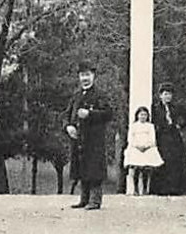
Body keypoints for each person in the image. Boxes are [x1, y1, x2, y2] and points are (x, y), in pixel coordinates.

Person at [64, 62, 112, 210]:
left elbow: (108, 113)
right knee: (81, 168)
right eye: (82, 75)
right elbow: (66, 114)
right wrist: (68, 126)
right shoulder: (76, 96)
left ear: (93, 76)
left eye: (88, 75)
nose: (85, 78)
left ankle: (95, 200)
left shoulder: (100, 95)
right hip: (79, 140)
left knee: (94, 169)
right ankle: (84, 199)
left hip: (94, 140)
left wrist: (90, 114)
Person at [149, 83, 186, 196]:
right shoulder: (155, 108)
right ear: (160, 95)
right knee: (163, 160)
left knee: (176, 161)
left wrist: (180, 125)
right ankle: (161, 189)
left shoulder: (176, 107)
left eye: (170, 94)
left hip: (174, 137)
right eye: (165, 94)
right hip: (162, 137)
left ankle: (177, 188)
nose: (168, 97)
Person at [123, 105, 163, 195]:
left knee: (146, 168)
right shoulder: (133, 126)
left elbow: (153, 139)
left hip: (147, 148)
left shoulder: (150, 126)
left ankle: (145, 189)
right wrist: (137, 146)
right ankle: (136, 189)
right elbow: (130, 139)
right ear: (137, 115)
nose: (143, 117)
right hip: (136, 148)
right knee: (136, 167)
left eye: (145, 115)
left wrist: (146, 146)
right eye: (141, 115)